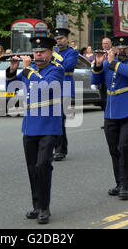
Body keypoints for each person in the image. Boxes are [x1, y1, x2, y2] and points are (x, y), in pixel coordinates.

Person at [5, 36, 64, 224]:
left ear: (50, 52)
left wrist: (28, 70)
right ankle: (37, 205)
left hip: (48, 125)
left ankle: (45, 207)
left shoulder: (56, 70)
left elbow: (46, 87)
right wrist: (13, 70)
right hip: (30, 125)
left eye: (42, 52)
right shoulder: (30, 71)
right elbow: (11, 88)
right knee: (32, 168)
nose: (38, 54)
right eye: (36, 52)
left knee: (43, 166)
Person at [91, 36, 128, 200]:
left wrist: (112, 63)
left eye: (124, 48)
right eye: (118, 47)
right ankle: (119, 183)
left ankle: (125, 186)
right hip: (111, 112)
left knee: (125, 148)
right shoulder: (108, 62)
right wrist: (99, 65)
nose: (121, 50)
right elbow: (96, 81)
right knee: (114, 150)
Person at [53, 28, 78, 161]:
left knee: (59, 119)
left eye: (61, 38)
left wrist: (54, 56)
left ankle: (60, 149)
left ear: (67, 39)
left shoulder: (72, 52)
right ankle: (59, 147)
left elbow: (67, 66)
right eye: (57, 39)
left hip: (65, 88)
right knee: (53, 118)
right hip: (52, 88)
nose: (59, 41)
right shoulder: (53, 52)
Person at [98, 37, 112, 129]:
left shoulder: (113, 53)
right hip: (102, 80)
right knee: (104, 102)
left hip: (110, 80)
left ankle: (112, 121)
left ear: (110, 44)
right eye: (103, 43)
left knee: (110, 101)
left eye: (107, 43)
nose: (105, 45)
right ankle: (106, 121)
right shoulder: (99, 54)